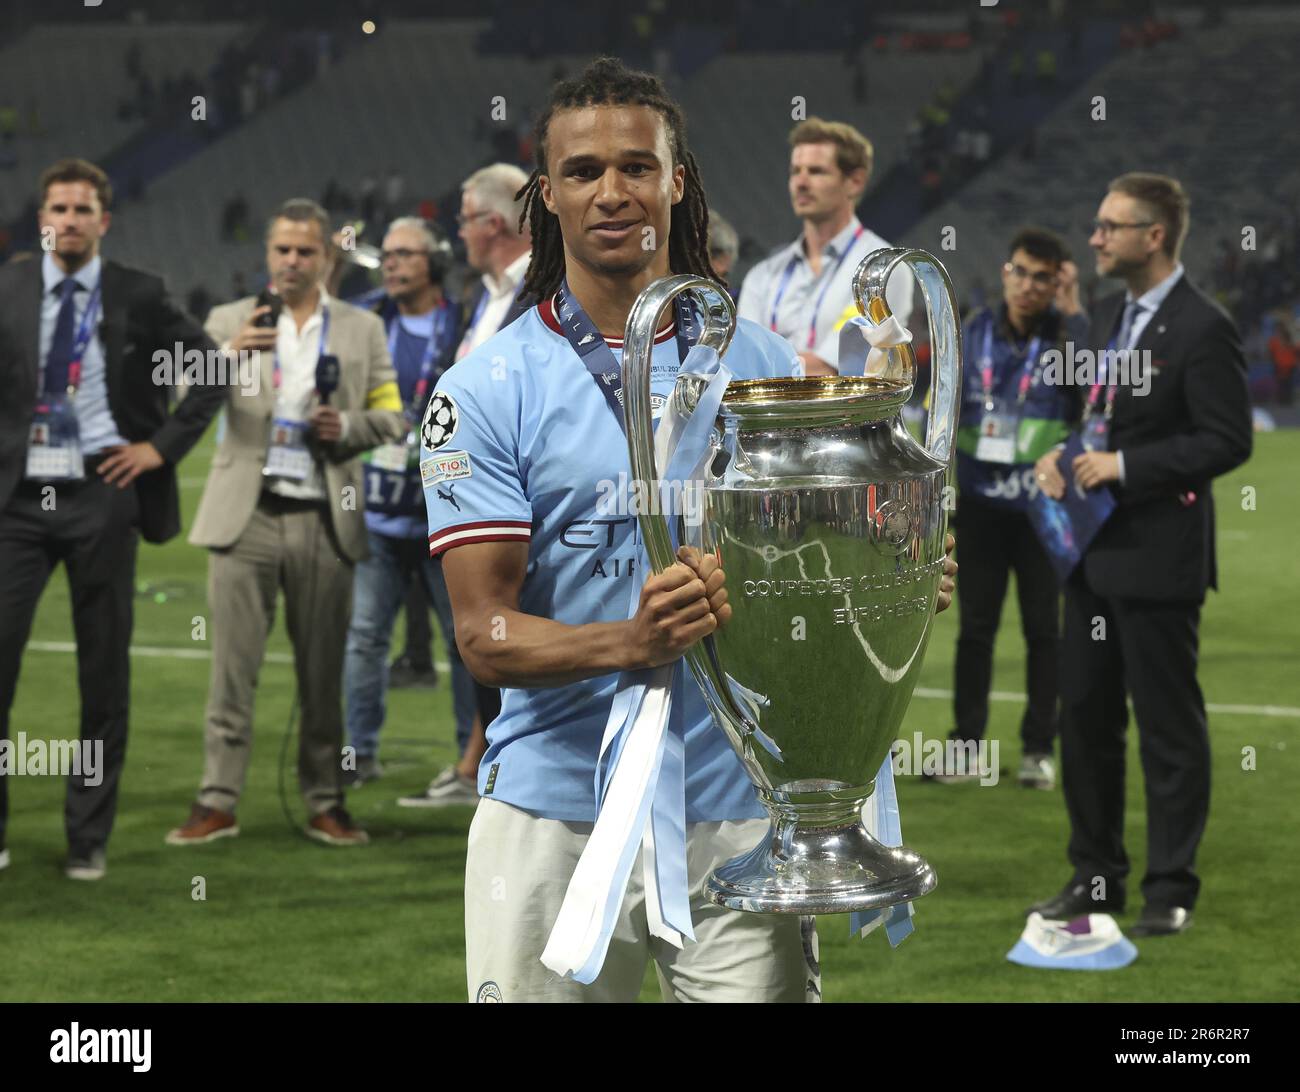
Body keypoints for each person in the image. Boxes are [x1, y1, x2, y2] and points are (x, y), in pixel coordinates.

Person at [422, 57, 956, 1002]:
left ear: (677, 178)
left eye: (637, 166)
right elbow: (483, 634)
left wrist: (887, 579)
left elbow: (798, 573)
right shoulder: (484, 391)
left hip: (739, 811)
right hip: (553, 818)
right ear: (546, 196)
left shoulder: (767, 367)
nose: (612, 192)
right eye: (583, 172)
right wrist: (632, 640)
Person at [1030, 173, 1252, 937]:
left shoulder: (1203, 325)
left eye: (1109, 227)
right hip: (1089, 556)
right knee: (1084, 723)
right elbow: (1091, 420)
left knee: (1166, 728)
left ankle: (1169, 887)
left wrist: (1128, 469)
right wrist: (1059, 458)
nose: (1094, 239)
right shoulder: (1101, 320)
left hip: (1158, 557)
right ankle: (1095, 880)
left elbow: (1228, 438)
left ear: (1153, 236)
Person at [0, 157, 226, 880]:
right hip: (17, 501)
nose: (68, 220)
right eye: (57, 209)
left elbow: (212, 368)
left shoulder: (140, 292)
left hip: (102, 491)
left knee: (103, 673)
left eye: (81, 209)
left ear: (104, 220)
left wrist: (160, 449)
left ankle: (87, 836)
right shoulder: (8, 285)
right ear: (42, 219)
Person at [165, 198, 405, 849]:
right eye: (282, 250)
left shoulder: (361, 329)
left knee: (322, 673)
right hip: (245, 515)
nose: (293, 261)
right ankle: (217, 800)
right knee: (230, 670)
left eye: (305, 250)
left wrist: (347, 426)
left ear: (327, 256)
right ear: (267, 256)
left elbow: (392, 414)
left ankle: (326, 800)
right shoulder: (227, 319)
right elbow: (185, 399)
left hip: (324, 516)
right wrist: (228, 356)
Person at [398, 163, 534, 809]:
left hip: (518, 498)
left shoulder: (545, 287)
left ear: (492, 222)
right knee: (477, 634)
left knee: (505, 632)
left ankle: (505, 771)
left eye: (462, 218)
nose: (457, 231)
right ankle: (483, 762)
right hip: (464, 494)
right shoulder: (485, 294)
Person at [943, 228, 1086, 789]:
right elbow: (944, 414)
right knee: (975, 629)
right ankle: (967, 748)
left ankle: (1037, 750)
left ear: (1058, 284)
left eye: (1043, 278)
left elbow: (1097, 403)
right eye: (1021, 272)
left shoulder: (1069, 341)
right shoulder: (971, 331)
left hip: (1041, 508)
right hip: (979, 506)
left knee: (1042, 632)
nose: (1029, 286)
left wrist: (1076, 315)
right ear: (1006, 272)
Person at [339, 216, 472, 788]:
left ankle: (472, 761)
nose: (391, 264)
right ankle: (357, 754)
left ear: (433, 263)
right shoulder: (367, 317)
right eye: (387, 255)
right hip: (377, 511)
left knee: (465, 641)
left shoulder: (462, 321)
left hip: (446, 511)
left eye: (404, 255)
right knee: (366, 636)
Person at [738, 117, 912, 376]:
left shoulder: (883, 270)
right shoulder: (762, 276)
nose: (801, 182)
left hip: (846, 417)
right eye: (795, 171)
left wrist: (763, 369)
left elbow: (840, 367)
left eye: (816, 171)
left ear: (855, 182)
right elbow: (743, 362)